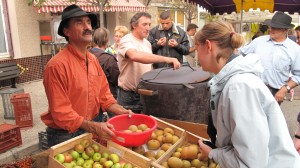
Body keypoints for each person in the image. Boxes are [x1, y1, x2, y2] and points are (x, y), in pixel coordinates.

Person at [195, 20, 300, 167]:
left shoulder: (239, 87)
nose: (197, 56)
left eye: (196, 48)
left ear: (208, 46)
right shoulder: (234, 83)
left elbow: (250, 163)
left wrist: (213, 154)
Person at [41, 4, 133, 147]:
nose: (87, 27)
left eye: (88, 22)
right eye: (79, 22)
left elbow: (104, 96)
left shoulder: (92, 59)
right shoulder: (56, 66)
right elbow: (61, 113)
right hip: (65, 134)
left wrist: (120, 110)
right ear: (67, 31)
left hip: (92, 125)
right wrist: (94, 126)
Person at [117, 12, 181, 109]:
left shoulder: (147, 43)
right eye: (144, 24)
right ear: (134, 25)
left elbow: (148, 65)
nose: (148, 28)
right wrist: (167, 59)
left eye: (149, 24)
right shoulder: (126, 40)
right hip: (129, 95)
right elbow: (134, 56)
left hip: (144, 93)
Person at [239, 11, 300, 104]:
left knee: (269, 118)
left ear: (285, 30)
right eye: (271, 26)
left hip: (276, 93)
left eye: (275, 27)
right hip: (254, 89)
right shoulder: (258, 41)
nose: (271, 29)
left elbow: (298, 75)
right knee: (250, 118)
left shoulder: (295, 49)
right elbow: (240, 53)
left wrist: (285, 89)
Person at [89, 27, 119, 99]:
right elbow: (117, 80)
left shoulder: (84, 55)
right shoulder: (109, 59)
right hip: (106, 97)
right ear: (107, 40)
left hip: (89, 96)